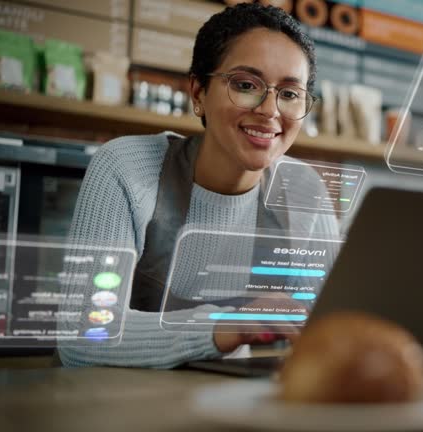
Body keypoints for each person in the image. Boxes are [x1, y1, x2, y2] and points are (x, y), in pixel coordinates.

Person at [59, 3, 339, 368]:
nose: (270, 110)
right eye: (245, 85)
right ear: (198, 93)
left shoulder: (303, 189)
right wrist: (221, 327)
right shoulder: (126, 167)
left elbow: (330, 328)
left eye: (289, 93)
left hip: (228, 398)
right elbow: (80, 336)